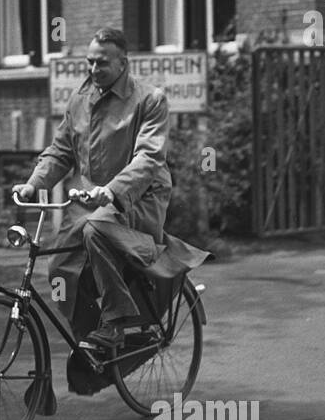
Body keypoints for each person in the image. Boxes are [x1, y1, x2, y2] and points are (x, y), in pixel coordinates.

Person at [14, 28, 209, 359]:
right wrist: (34, 183)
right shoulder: (79, 101)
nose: (93, 70)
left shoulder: (150, 100)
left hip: (139, 198)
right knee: (59, 266)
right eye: (89, 62)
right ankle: (95, 342)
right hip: (92, 199)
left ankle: (117, 322)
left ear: (123, 63)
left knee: (97, 229)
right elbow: (61, 151)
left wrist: (112, 191)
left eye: (101, 63)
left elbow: (148, 159)